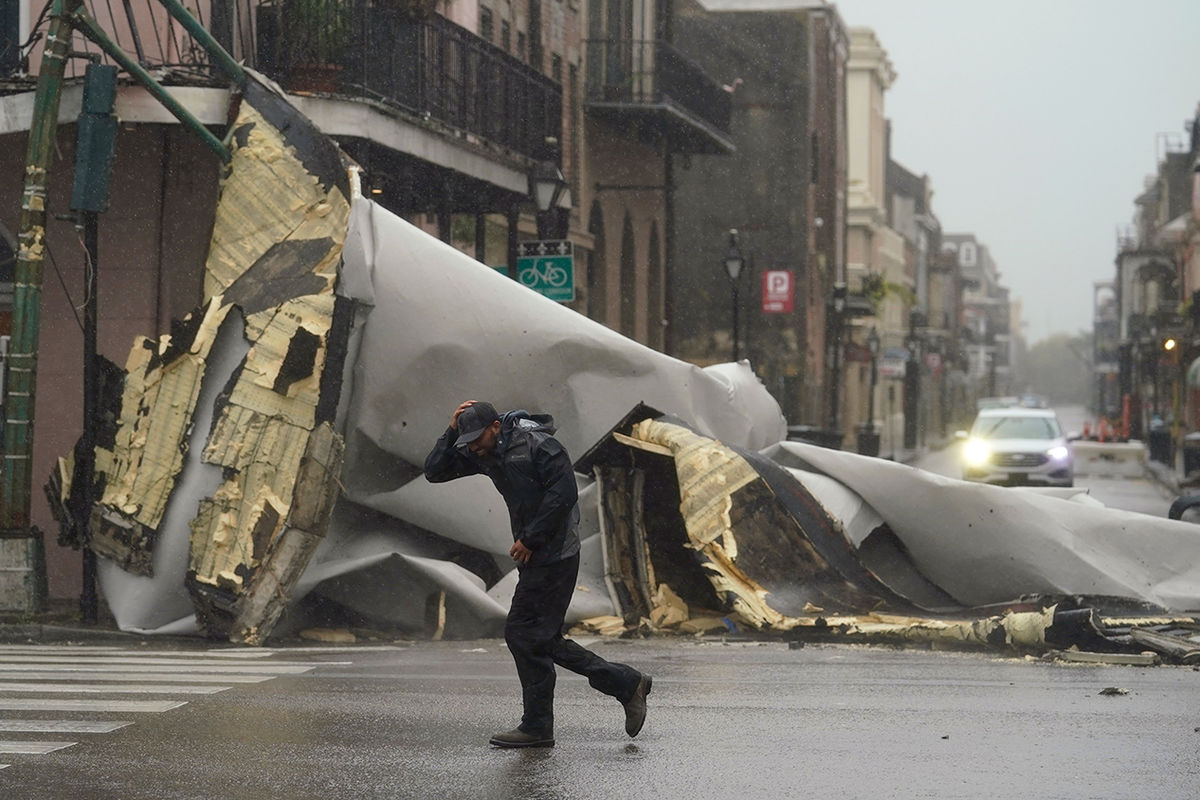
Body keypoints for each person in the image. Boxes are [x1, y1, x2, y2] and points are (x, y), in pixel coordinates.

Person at [424, 400, 652, 748]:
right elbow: (435, 472)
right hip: (535, 553)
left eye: (477, 437)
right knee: (536, 637)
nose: (472, 446)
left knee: (525, 634)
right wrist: (452, 431)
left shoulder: (539, 445)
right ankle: (615, 688)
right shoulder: (484, 451)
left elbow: (563, 495)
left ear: (496, 426)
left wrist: (531, 538)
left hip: (557, 551)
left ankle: (545, 722)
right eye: (467, 440)